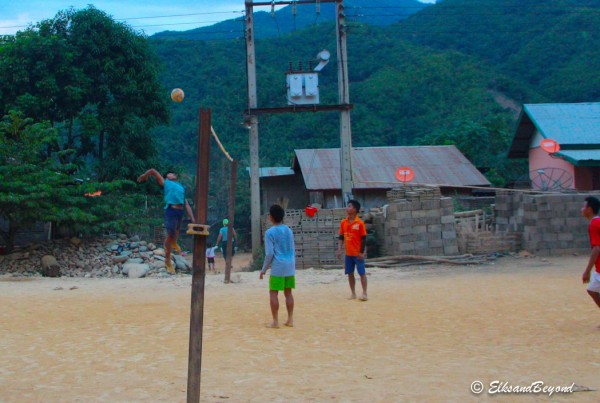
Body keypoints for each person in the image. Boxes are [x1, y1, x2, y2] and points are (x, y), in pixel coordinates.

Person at [137, 169, 194, 274]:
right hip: (171, 210)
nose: (173, 174)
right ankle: (167, 261)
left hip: (180, 211)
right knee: (170, 234)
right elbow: (153, 171)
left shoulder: (181, 187)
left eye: (174, 173)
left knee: (177, 231)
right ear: (167, 176)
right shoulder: (166, 183)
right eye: (170, 173)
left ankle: (174, 242)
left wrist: (193, 218)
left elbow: (186, 204)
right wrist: (145, 175)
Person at [260, 204, 296, 328]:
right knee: (288, 293)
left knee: (273, 293)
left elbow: (269, 253)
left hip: (278, 266)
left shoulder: (269, 232)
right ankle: (290, 319)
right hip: (290, 265)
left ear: (271, 217)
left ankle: (275, 321)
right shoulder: (289, 230)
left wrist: (264, 269)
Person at [336, 199, 368, 301]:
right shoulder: (343, 222)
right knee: (350, 273)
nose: (347, 208)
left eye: (349, 206)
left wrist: (361, 252)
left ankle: (364, 293)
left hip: (357, 253)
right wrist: (339, 249)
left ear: (355, 209)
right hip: (348, 253)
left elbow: (364, 239)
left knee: (361, 273)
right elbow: (341, 237)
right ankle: (353, 293)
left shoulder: (360, 223)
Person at [581, 196, 600, 320]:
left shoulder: (594, 224)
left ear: (590, 209)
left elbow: (597, 248)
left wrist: (587, 270)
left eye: (584, 206)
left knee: (592, 290)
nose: (582, 209)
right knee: (592, 290)